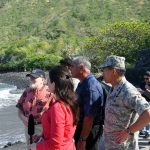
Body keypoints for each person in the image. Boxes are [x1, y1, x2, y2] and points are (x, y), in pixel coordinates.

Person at [100, 55, 150, 150]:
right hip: (112, 144)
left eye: (104, 69)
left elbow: (147, 114)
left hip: (124, 146)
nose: (103, 73)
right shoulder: (114, 87)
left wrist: (129, 131)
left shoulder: (128, 91)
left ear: (113, 71)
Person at [29, 66, 79, 150]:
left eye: (48, 80)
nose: (47, 83)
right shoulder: (69, 102)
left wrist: (36, 146)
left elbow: (55, 144)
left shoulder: (58, 107)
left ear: (54, 83)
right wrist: (43, 136)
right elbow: (64, 132)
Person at [70, 56, 104, 150]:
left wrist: (82, 139)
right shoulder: (83, 83)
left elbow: (89, 117)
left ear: (81, 68)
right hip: (83, 128)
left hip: (89, 131)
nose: (70, 69)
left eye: (72, 66)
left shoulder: (90, 86)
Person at [16, 69, 54, 149]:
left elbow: (56, 113)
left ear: (43, 80)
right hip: (28, 128)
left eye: (34, 78)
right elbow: (19, 109)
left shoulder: (50, 93)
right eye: (31, 77)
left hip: (43, 128)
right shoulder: (27, 91)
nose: (32, 79)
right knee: (30, 147)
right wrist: (23, 118)